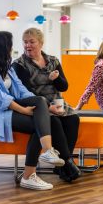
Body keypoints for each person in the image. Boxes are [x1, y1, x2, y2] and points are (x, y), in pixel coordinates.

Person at [0, 31, 65, 191]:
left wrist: (45, 106)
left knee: (39, 100)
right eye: (9, 47)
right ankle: (31, 173)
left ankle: (42, 159)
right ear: (1, 48)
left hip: (12, 108)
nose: (11, 50)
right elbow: (0, 98)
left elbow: (22, 91)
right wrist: (24, 110)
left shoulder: (5, 68)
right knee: (39, 124)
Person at [12, 28, 81, 182]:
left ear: (41, 43)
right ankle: (67, 163)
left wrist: (55, 79)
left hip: (58, 102)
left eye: (31, 42)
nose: (27, 45)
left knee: (73, 119)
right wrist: (48, 106)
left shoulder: (53, 60)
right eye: (25, 42)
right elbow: (25, 91)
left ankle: (62, 165)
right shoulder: (19, 64)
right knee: (54, 122)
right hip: (40, 104)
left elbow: (64, 87)